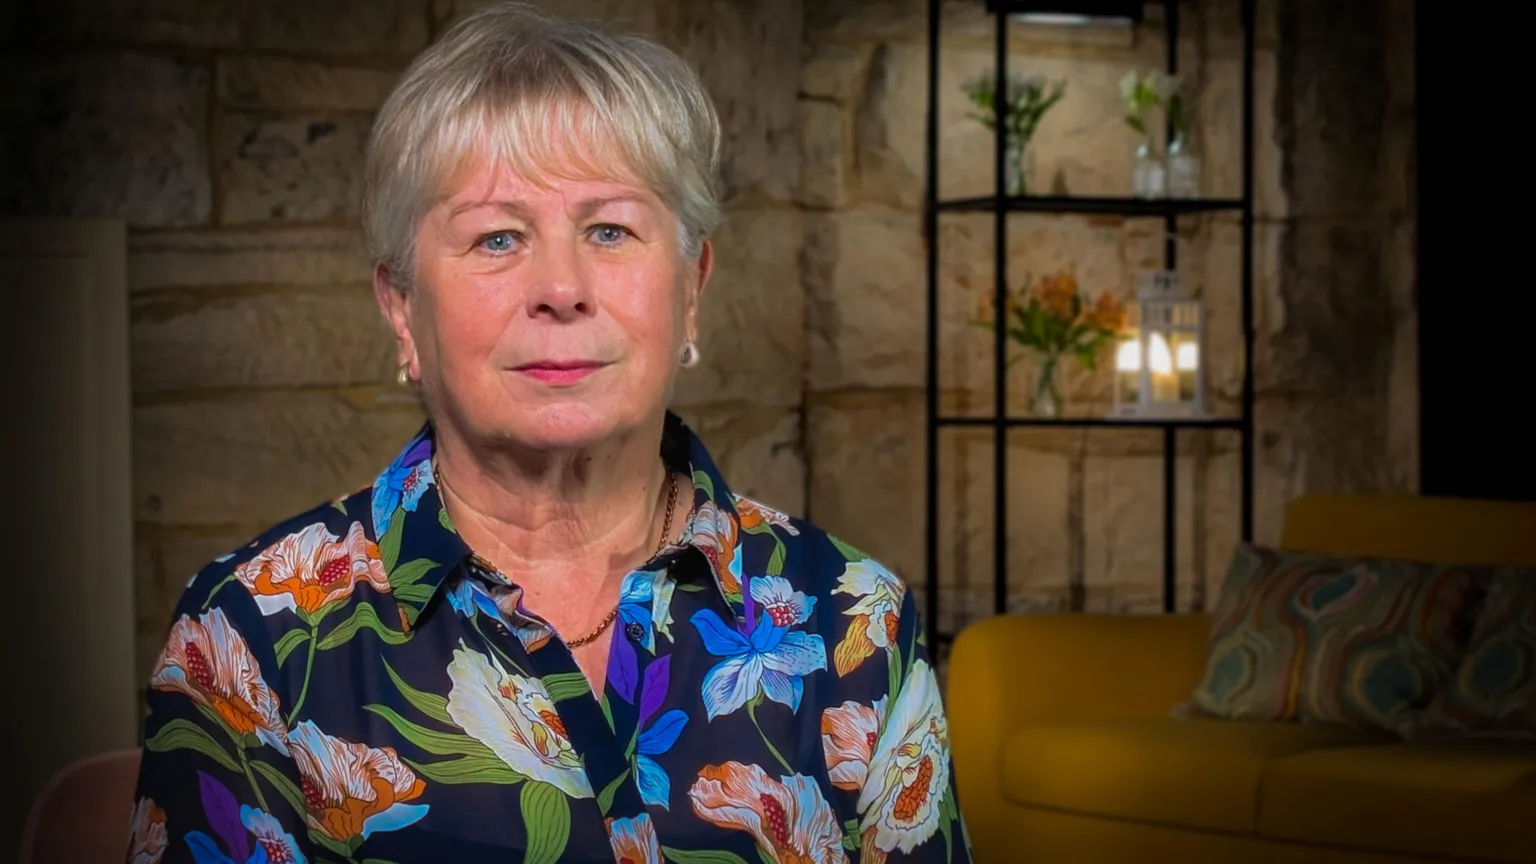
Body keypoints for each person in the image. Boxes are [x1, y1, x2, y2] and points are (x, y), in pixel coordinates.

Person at [126, 3, 971, 862]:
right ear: (402, 308)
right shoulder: (249, 637)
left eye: (610, 230)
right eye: (498, 237)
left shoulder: (855, 622)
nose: (560, 287)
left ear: (692, 289)